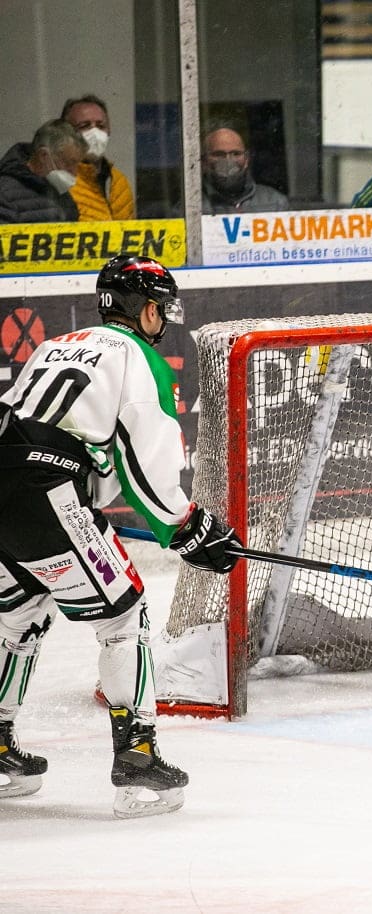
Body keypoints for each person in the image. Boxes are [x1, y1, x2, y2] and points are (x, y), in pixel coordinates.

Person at [0, 255, 242, 816]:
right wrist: (184, 526)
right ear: (145, 308)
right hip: (47, 492)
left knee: (21, 612)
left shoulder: (56, 343)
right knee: (124, 614)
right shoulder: (140, 358)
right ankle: (137, 761)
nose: (164, 319)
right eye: (161, 307)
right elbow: (144, 458)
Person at [61, 94, 135, 222]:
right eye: (85, 126)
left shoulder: (118, 182)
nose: (95, 133)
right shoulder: (57, 181)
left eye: (100, 126)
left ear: (109, 131)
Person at [0, 119, 84, 224]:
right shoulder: (5, 195)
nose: (75, 173)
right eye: (68, 163)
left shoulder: (63, 195)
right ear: (44, 155)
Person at [200, 124, 290, 214]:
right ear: (204, 161)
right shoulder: (192, 203)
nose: (228, 160)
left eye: (236, 153)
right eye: (219, 154)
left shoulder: (275, 202)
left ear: (247, 159)